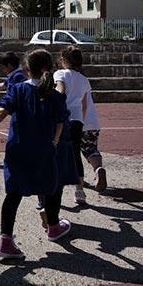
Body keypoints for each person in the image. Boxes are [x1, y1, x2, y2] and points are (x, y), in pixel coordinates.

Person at [0, 49, 77, 259]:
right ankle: (54, 226)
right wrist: (55, 140)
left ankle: (5, 240)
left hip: (19, 149)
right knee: (52, 187)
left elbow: (1, 112)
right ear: (49, 68)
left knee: (14, 193)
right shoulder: (55, 96)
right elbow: (60, 122)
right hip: (45, 150)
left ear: (27, 69)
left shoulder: (19, 90)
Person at [54, 46, 92, 205]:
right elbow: (84, 104)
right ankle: (80, 190)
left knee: (56, 153)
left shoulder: (60, 73)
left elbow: (60, 90)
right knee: (75, 153)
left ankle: (55, 189)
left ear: (64, 60)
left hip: (63, 117)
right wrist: (81, 120)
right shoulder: (84, 79)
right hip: (77, 119)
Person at [82, 94, 108, 193]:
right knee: (91, 149)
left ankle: (77, 178)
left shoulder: (59, 79)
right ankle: (98, 168)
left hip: (74, 120)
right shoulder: (83, 81)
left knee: (72, 153)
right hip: (91, 122)